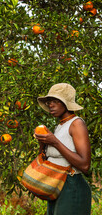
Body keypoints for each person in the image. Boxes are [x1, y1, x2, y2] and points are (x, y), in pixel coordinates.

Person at [35, 83, 92, 215]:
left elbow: (85, 165)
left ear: (66, 104)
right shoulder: (60, 126)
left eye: (56, 101)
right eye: (49, 102)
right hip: (56, 185)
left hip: (72, 186)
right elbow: (46, 159)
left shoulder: (77, 124)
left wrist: (55, 142)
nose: (50, 105)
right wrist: (43, 143)